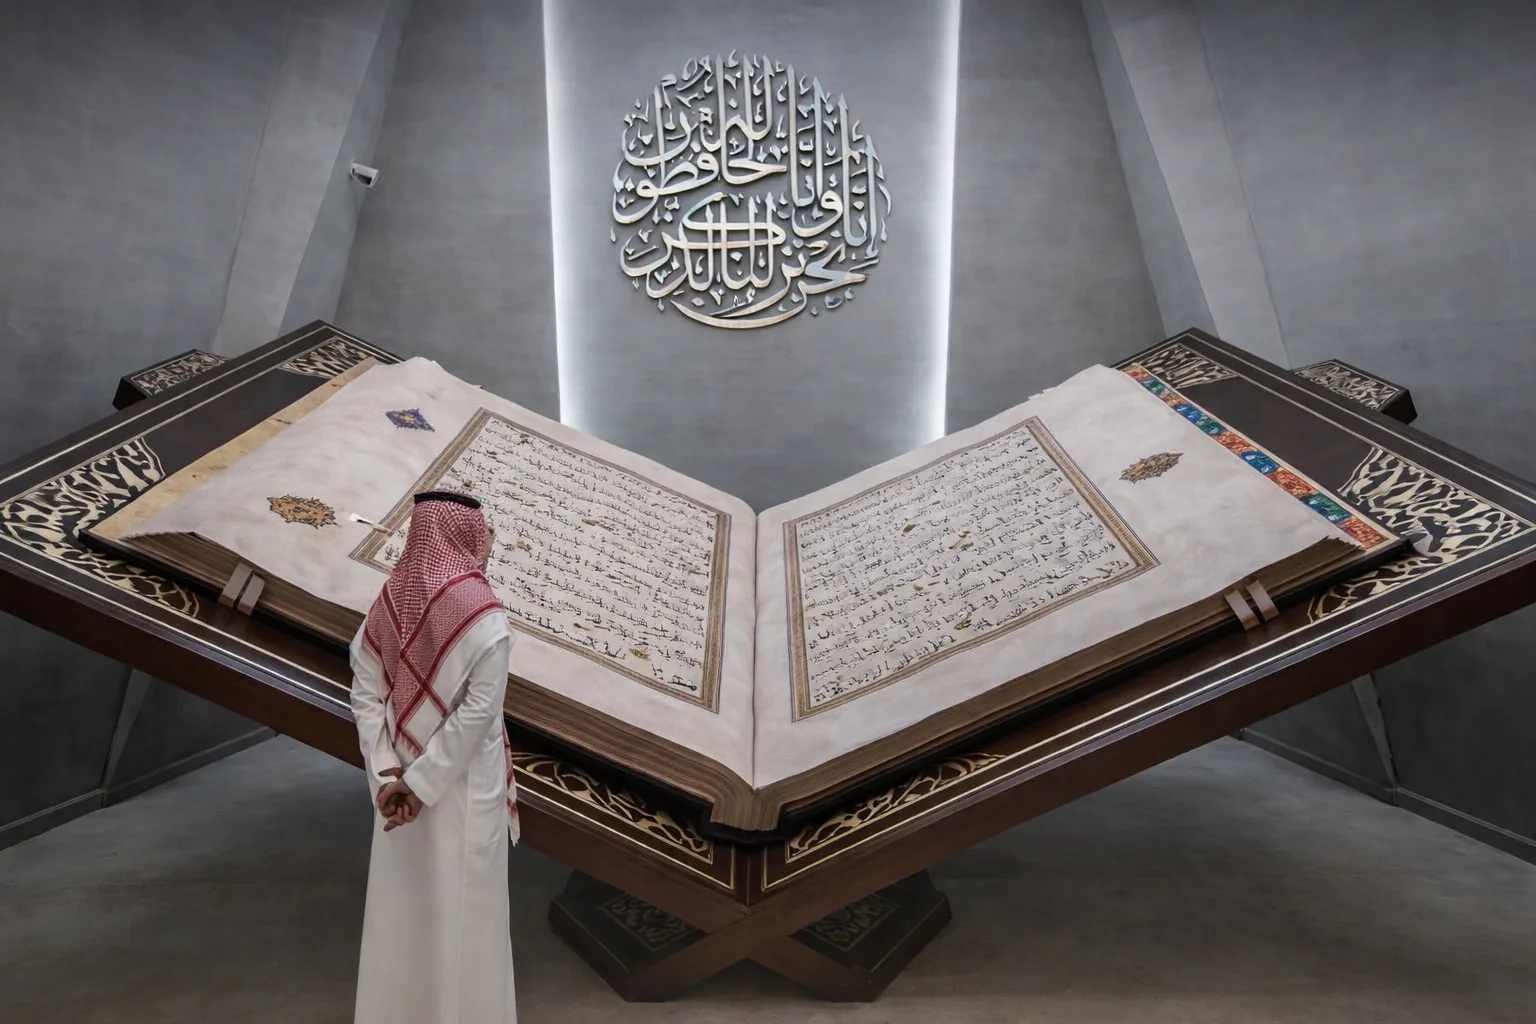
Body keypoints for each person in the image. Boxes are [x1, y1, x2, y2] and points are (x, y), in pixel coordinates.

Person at [348, 489, 520, 1023]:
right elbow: (476, 718)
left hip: (395, 796)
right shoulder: (486, 620)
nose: (489, 538)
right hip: (464, 789)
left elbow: (364, 692)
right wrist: (421, 787)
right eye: (484, 528)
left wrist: (388, 775)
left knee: (401, 912)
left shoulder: (388, 604)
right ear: (462, 535)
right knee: (467, 918)